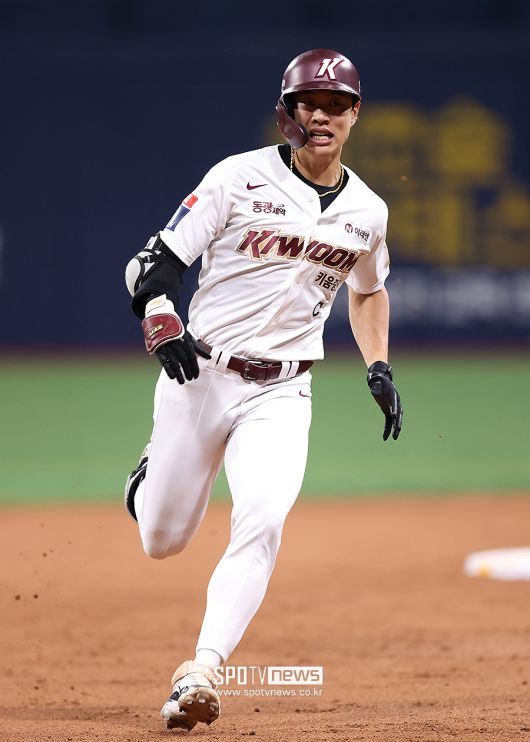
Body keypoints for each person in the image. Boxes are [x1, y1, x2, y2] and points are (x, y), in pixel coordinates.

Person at [123, 48, 403, 731]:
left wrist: (379, 365)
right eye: (310, 102)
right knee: (162, 539)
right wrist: (160, 314)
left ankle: (201, 669)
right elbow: (155, 262)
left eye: (336, 105)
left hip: (283, 391)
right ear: (288, 110)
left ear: (355, 115)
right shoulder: (237, 177)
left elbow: (369, 291)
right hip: (201, 375)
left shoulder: (367, 211)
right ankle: (147, 479)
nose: (322, 115)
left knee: (264, 518)